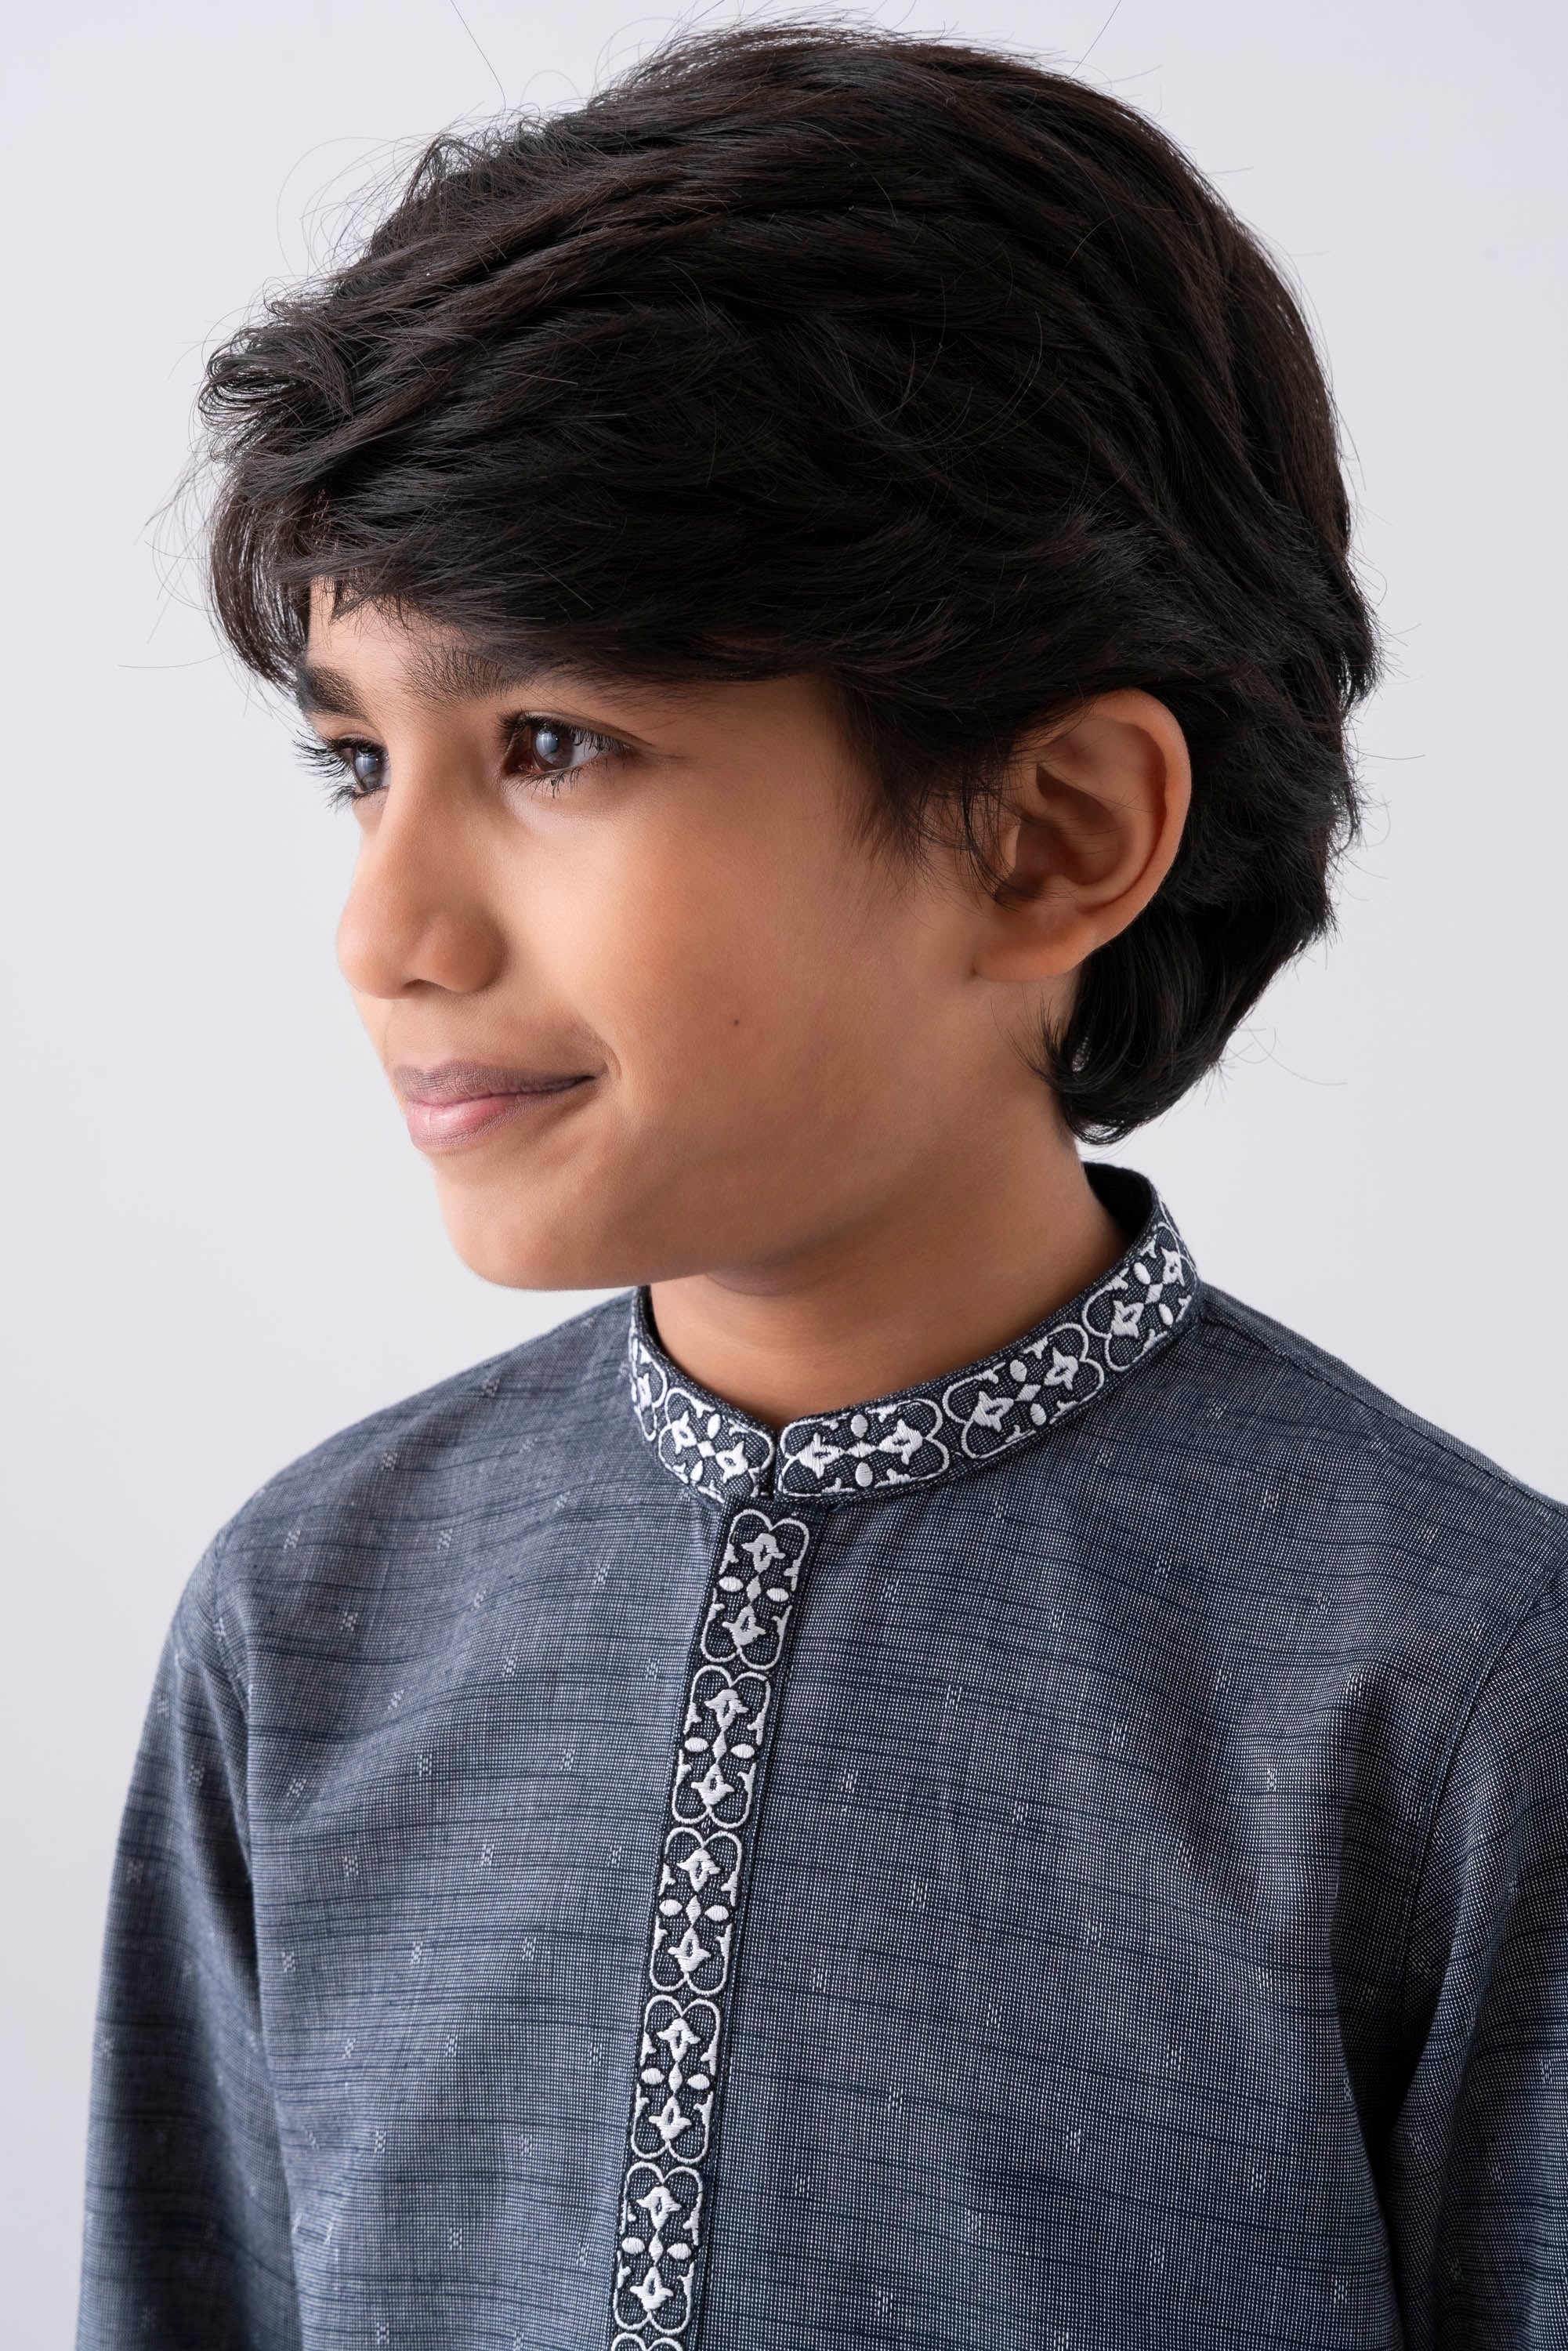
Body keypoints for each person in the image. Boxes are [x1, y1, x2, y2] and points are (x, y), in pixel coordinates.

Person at [78, 24, 1566, 2351]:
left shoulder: (1454, 1693)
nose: (388, 932)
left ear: (1053, 832)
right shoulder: (310, 1620)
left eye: (551, 744)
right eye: (358, 759)